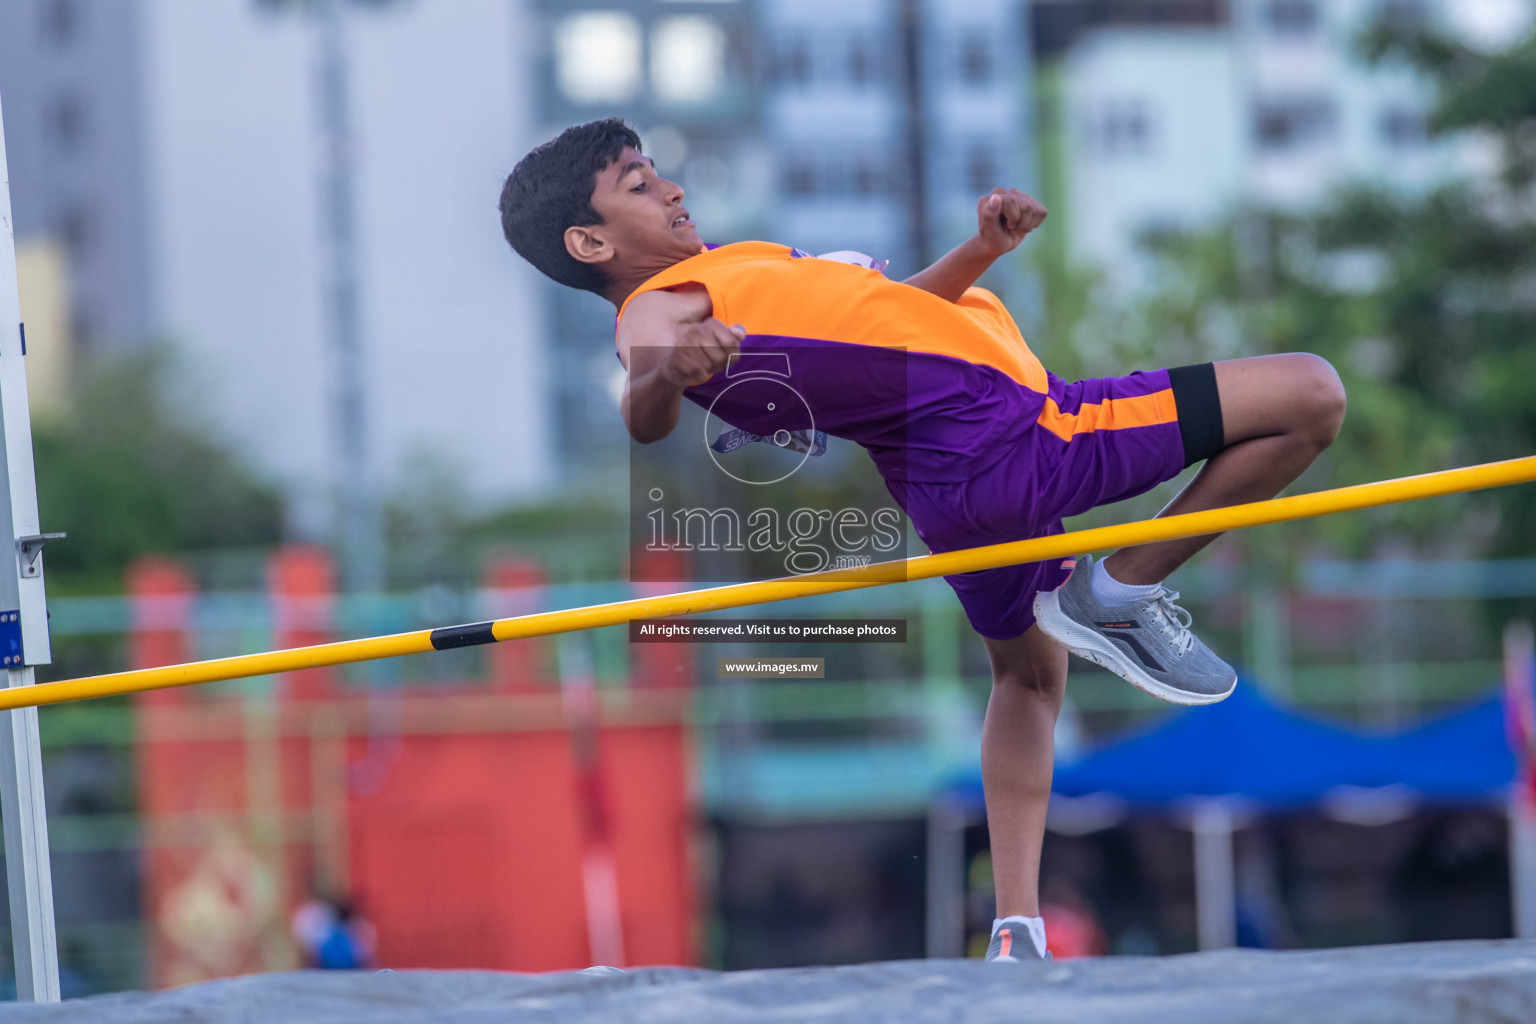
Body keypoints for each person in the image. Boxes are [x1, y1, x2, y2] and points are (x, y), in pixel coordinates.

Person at [498, 119, 1346, 962]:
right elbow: (643, 397)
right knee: (1310, 393)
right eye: (639, 186)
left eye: (659, 173)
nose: (673, 189)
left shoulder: (739, 272)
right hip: (1027, 434)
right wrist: (665, 374)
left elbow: (895, 319)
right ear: (589, 240)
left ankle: (1017, 929)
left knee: (1026, 676)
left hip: (952, 484)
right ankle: (1120, 592)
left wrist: (980, 252)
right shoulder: (661, 305)